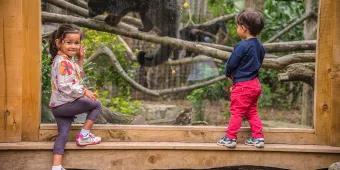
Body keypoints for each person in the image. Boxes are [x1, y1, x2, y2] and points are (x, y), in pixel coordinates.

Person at [49, 24, 102, 170]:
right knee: (96, 104)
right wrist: (84, 91)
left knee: (63, 135)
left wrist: (80, 59)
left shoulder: (64, 61)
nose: (73, 46)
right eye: (69, 42)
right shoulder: (63, 62)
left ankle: (56, 166)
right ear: (59, 42)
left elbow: (77, 77)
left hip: (58, 107)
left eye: (76, 43)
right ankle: (84, 135)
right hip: (65, 105)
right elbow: (66, 85)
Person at [217, 9, 265, 148]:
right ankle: (258, 138)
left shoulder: (242, 46)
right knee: (252, 112)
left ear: (244, 28)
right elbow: (259, 62)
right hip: (255, 84)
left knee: (236, 112)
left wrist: (228, 74)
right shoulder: (260, 47)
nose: (237, 28)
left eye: (238, 26)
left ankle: (230, 138)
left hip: (243, 86)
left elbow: (231, 64)